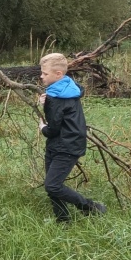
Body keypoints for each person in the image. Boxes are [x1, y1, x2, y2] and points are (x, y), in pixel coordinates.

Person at [37, 53, 107, 223]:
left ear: (58, 74)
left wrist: (43, 128)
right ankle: (63, 220)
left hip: (66, 146)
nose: (41, 76)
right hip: (63, 143)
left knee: (52, 185)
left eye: (45, 74)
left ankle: (91, 207)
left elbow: (53, 128)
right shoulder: (68, 88)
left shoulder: (55, 98)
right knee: (52, 185)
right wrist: (45, 103)